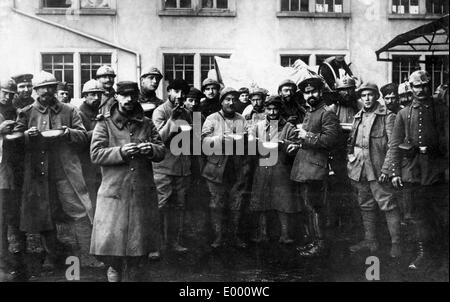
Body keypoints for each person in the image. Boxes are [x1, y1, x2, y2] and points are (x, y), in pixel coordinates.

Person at [13, 71, 94, 275]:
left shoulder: (69, 110)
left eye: (51, 87)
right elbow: (14, 139)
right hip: (38, 172)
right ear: (36, 91)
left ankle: (88, 254)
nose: (47, 92)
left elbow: (84, 136)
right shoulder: (26, 112)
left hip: (65, 170)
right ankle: (51, 255)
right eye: (42, 88)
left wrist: (68, 133)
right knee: (43, 214)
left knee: (77, 210)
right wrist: (26, 135)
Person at [90, 81, 165, 282]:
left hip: (141, 190)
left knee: (138, 246)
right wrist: (121, 152)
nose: (129, 99)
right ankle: (113, 271)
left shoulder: (147, 123)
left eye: (133, 95)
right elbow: (96, 154)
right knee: (112, 246)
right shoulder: (104, 123)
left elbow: (161, 150)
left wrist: (151, 149)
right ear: (116, 97)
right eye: (124, 95)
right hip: (114, 191)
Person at [390, 70, 448, 270]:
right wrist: (396, 172)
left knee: (441, 215)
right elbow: (395, 145)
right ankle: (424, 254)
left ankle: (443, 257)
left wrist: (432, 148)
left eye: (424, 86)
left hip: (437, 171)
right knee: (418, 216)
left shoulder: (441, 110)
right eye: (416, 86)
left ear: (429, 86)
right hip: (413, 172)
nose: (421, 90)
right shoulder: (404, 113)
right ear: (410, 88)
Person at [287, 75, 341, 257]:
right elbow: (308, 140)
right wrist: (298, 144)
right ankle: (311, 240)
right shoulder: (309, 112)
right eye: (306, 92)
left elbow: (330, 140)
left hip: (317, 168)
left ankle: (320, 243)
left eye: (314, 91)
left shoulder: (327, 113)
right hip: (304, 167)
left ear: (320, 92)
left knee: (317, 206)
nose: (310, 95)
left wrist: (306, 136)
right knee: (307, 205)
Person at [347, 82, 401, 258]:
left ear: (376, 96)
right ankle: (370, 241)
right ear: (360, 98)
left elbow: (393, 145)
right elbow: (351, 142)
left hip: (378, 170)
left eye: (370, 95)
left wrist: (387, 169)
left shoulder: (388, 116)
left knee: (388, 205)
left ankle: (396, 244)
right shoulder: (358, 117)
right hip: (360, 170)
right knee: (366, 205)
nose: (367, 98)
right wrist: (351, 160)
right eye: (364, 95)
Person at [202, 87, 250, 249]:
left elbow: (248, 140)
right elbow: (203, 141)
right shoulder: (212, 118)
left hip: (236, 167)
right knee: (217, 204)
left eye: (233, 100)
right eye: (227, 99)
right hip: (216, 168)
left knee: (237, 203)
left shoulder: (241, 119)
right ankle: (218, 237)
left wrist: (246, 139)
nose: (231, 103)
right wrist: (218, 138)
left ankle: (235, 236)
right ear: (221, 101)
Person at [248, 95, 300, 244]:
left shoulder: (289, 127)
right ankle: (263, 233)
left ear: (280, 109)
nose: (272, 113)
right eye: (269, 109)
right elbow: (251, 141)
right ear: (265, 110)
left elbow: (295, 145)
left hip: (281, 167)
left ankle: (285, 234)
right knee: (261, 199)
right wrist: (258, 143)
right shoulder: (257, 126)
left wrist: (284, 143)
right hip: (263, 165)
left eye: (275, 109)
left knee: (283, 200)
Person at [152, 79, 192, 254]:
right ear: (169, 92)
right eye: (176, 91)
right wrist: (172, 119)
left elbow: (193, 139)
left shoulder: (189, 112)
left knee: (179, 206)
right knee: (161, 205)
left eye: (183, 92)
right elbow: (158, 139)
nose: (180, 96)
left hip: (183, 167)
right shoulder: (160, 111)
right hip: (163, 167)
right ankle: (155, 246)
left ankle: (173, 242)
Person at [0, 79, 19, 280]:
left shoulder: (12, 110)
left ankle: (4, 257)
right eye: (4, 93)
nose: (8, 97)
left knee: (4, 219)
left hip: (6, 172)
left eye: (11, 94)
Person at [78, 79, 104, 208]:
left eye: (99, 94)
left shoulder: (98, 112)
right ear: (85, 96)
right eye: (93, 94)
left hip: (98, 161)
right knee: (90, 194)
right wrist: (100, 129)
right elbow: (79, 138)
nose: (97, 97)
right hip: (85, 161)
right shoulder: (79, 113)